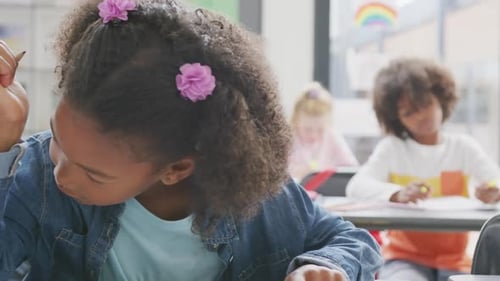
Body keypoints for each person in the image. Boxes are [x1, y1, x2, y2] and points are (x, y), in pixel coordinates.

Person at [0, 0, 382, 280]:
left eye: (93, 173)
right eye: (57, 139)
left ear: (176, 168)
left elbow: (352, 242)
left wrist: (323, 268)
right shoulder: (37, 175)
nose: (60, 174)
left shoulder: (260, 203)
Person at [346, 57, 500, 281]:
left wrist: (494, 191)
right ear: (396, 119)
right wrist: (397, 193)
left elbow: (496, 180)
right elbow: (357, 186)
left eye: (426, 104)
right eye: (409, 113)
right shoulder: (392, 148)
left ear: (441, 98)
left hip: (456, 261)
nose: (421, 117)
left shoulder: (463, 147)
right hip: (403, 259)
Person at [288, 82, 358, 181]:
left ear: (328, 124)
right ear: (295, 120)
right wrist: (298, 171)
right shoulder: (288, 139)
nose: (314, 135)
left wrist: (329, 173)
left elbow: (350, 168)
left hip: (325, 191)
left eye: (320, 130)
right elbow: (278, 170)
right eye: (307, 129)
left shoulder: (331, 136)